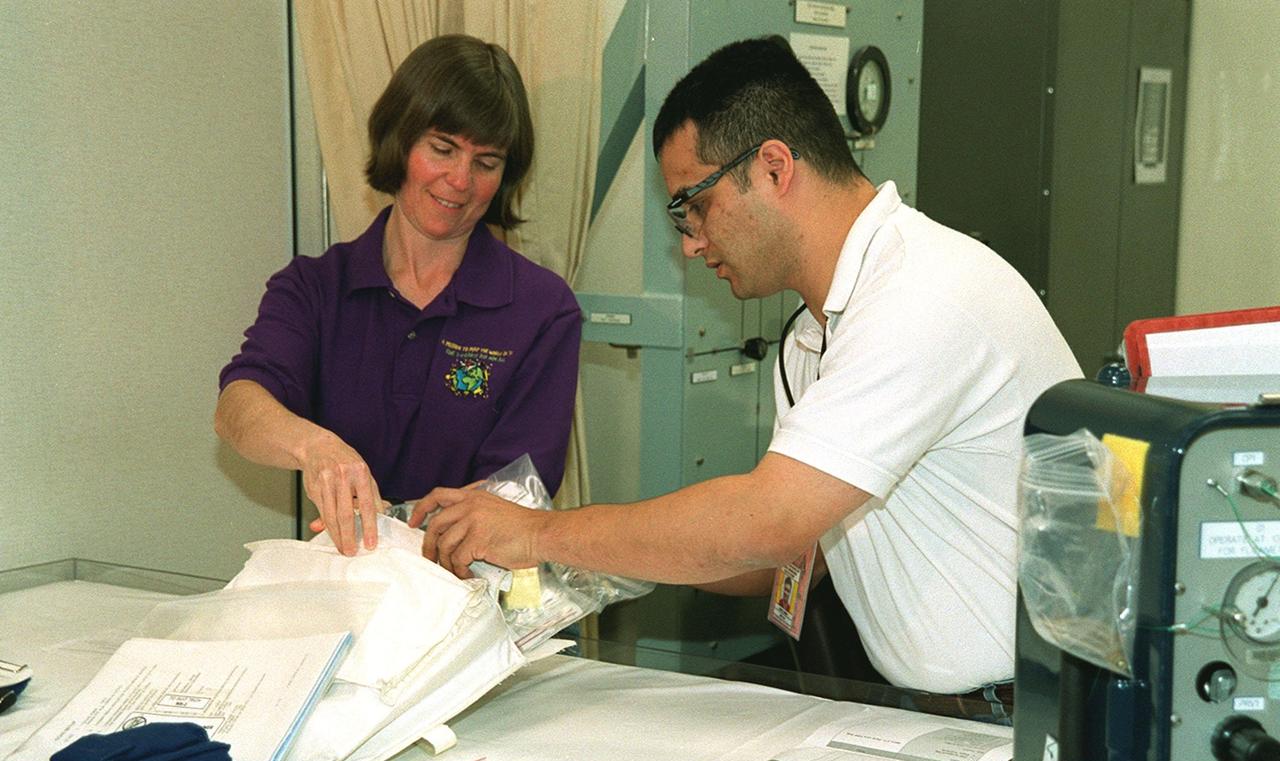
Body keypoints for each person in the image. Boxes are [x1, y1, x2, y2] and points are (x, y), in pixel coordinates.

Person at [411, 38, 1081, 697]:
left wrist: (538, 533)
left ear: (774, 168)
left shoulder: (921, 297)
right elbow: (794, 557)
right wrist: (589, 563)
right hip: (947, 712)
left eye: (693, 205)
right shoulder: (812, 339)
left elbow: (770, 520)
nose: (691, 241)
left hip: (1021, 716)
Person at [215, 35, 581, 557]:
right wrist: (316, 448)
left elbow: (517, 493)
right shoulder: (316, 287)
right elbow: (238, 406)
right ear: (399, 141)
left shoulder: (542, 309)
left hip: (478, 596)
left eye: (487, 161)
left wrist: (404, 530)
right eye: (442, 148)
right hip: (352, 588)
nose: (460, 180)